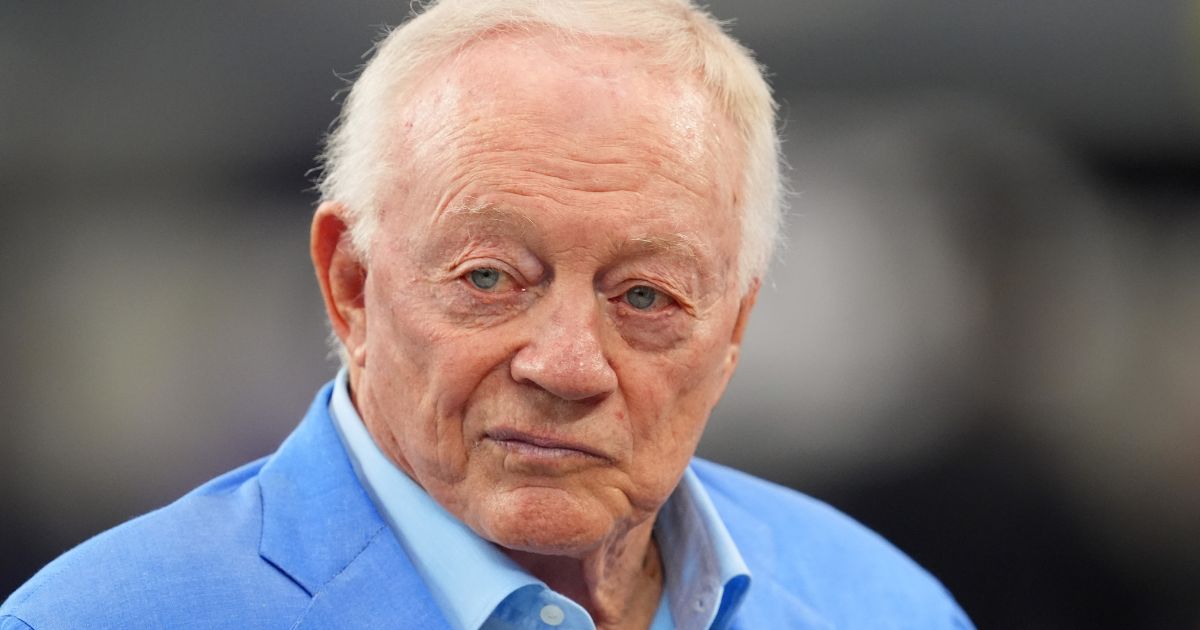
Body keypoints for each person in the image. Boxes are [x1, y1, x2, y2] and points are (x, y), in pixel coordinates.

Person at [1, 1, 972, 628]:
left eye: (644, 297)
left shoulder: (884, 607)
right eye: (490, 279)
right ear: (351, 284)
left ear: (732, 332)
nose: (567, 364)